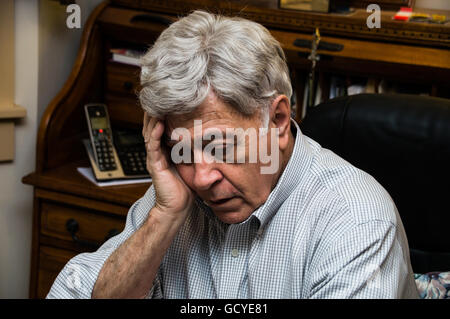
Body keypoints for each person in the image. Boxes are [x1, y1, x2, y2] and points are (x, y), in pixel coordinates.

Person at [47, 10, 418, 299]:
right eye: (181, 150)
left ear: (278, 119)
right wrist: (163, 217)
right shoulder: (175, 195)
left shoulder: (356, 220)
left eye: (219, 147)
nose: (201, 177)